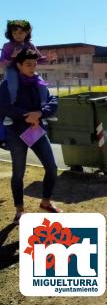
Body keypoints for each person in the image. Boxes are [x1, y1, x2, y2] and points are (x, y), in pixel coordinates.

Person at [0, 49, 59, 223]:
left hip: (36, 131)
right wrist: (29, 115)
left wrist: (39, 113)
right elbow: (4, 108)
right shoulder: (7, 84)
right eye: (28, 64)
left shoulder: (39, 82)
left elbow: (53, 101)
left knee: (52, 167)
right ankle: (20, 211)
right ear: (19, 65)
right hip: (16, 134)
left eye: (34, 64)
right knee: (18, 173)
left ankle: (45, 203)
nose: (33, 68)